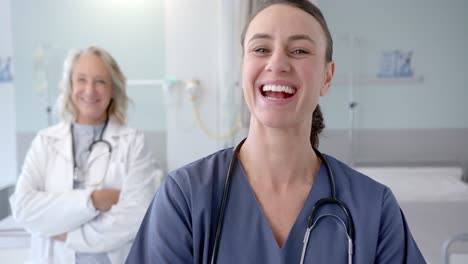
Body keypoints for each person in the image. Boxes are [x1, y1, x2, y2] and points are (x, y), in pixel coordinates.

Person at [126, 1, 426, 263]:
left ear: (327, 76)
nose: (277, 63)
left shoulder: (373, 207)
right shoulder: (186, 196)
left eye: (299, 50)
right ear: (243, 68)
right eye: (260, 49)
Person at [10, 46, 163, 264]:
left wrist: (70, 235)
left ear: (113, 89)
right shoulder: (45, 141)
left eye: (100, 81)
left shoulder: (133, 143)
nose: (90, 91)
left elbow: (136, 217)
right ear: (70, 85)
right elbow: (24, 209)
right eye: (81, 79)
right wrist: (94, 200)